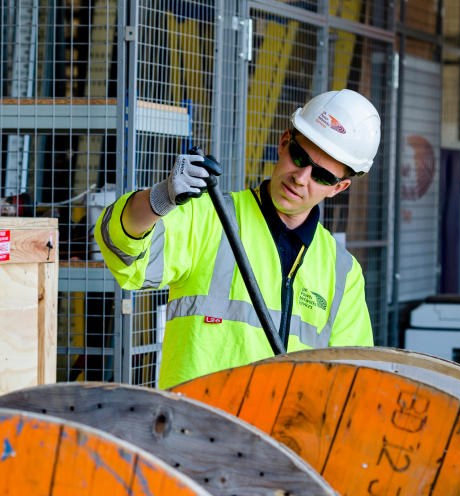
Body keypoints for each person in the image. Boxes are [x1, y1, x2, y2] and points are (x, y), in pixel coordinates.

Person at [96, 89, 380, 389]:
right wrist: (160, 197)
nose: (301, 177)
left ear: (339, 187)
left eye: (321, 176)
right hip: (193, 426)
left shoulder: (342, 273)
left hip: (279, 434)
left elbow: (352, 378)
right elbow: (123, 247)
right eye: (299, 157)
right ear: (284, 143)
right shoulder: (211, 218)